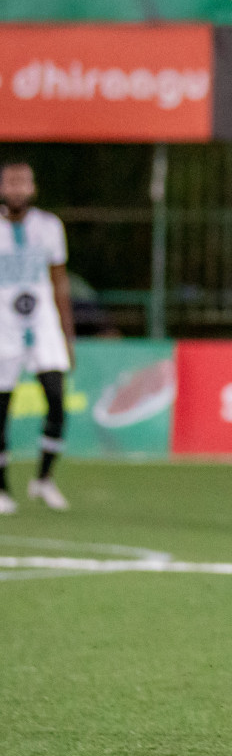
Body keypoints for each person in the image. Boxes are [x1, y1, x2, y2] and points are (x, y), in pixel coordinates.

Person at [0, 161, 74, 512]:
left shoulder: (48, 226)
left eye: (23, 182)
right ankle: (1, 488)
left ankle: (43, 479)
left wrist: (67, 333)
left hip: (42, 325)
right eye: (11, 182)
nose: (17, 188)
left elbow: (60, 279)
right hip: (3, 327)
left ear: (33, 188)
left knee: (57, 400)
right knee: (2, 410)